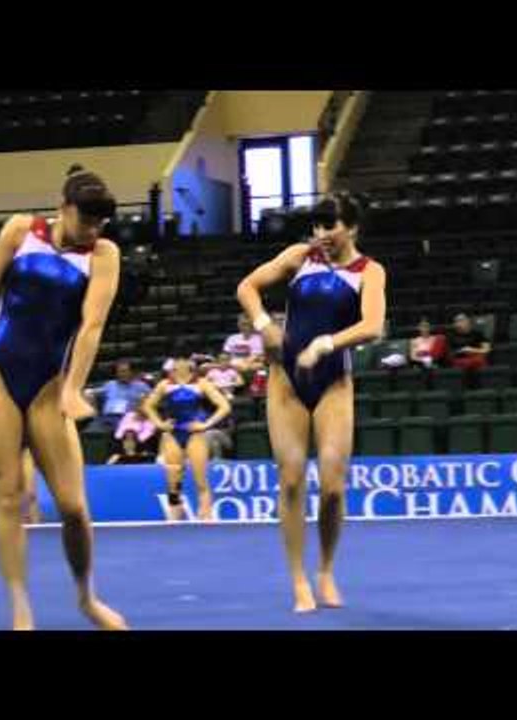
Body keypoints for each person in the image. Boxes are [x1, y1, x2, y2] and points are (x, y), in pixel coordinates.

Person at [0, 164, 128, 630]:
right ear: (63, 208)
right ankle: (20, 611)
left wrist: (73, 387)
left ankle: (86, 598)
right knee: (9, 498)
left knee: (73, 507)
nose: (93, 229)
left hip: (49, 388)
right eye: (86, 219)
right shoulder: (20, 230)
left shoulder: (104, 253)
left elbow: (91, 326)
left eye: (100, 223)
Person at [236, 192, 386, 613]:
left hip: (333, 380)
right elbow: (246, 287)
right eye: (317, 226)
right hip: (286, 380)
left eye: (330, 225)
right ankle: (299, 579)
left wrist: (326, 344)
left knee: (334, 485)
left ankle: (325, 569)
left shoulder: (368, 271)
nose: (321, 234)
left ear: (352, 227)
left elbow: (372, 325)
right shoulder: (300, 256)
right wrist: (265, 324)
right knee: (291, 479)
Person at [142, 356, 231, 522]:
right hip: (173, 433)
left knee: (200, 478)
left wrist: (206, 425)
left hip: (194, 433)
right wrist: (160, 424)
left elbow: (225, 406)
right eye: (176, 364)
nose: (178, 367)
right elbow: (147, 406)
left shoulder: (201, 383)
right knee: (173, 478)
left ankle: (205, 513)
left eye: (182, 363)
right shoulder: (165, 385)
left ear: (189, 366)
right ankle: (176, 512)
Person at [86, 360, 150, 433]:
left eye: (124, 371)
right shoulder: (110, 384)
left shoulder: (141, 386)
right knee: (91, 430)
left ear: (131, 372)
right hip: (107, 417)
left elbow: (151, 399)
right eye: (119, 372)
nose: (122, 374)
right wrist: (95, 413)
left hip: (127, 417)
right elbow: (91, 393)